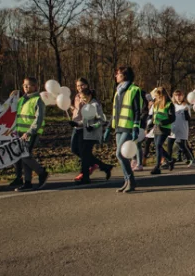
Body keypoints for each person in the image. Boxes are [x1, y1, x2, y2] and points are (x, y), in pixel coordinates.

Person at [10, 77, 49, 191]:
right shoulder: (22, 99)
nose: (25, 87)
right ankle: (27, 182)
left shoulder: (38, 100)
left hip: (31, 133)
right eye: (24, 85)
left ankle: (41, 173)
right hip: (20, 132)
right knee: (24, 156)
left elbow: (39, 118)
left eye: (28, 85)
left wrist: (30, 132)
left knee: (25, 156)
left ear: (35, 87)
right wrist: (11, 98)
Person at [70, 83, 113, 184]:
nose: (83, 101)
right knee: (82, 153)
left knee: (85, 154)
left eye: (84, 98)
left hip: (93, 134)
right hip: (85, 132)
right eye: (81, 99)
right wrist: (76, 123)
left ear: (89, 96)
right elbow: (85, 121)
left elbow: (102, 120)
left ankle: (85, 177)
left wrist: (93, 126)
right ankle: (104, 167)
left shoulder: (95, 105)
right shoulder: (87, 105)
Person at [111, 66, 143, 194]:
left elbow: (137, 110)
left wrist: (136, 125)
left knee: (120, 153)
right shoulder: (118, 91)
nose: (116, 76)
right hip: (119, 126)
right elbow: (115, 110)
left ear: (124, 75)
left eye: (118, 74)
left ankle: (131, 180)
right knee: (119, 155)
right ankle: (127, 181)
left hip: (128, 127)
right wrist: (109, 127)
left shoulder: (134, 89)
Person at [148, 87, 176, 175]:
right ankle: (170, 160)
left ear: (162, 95)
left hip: (165, 128)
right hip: (156, 127)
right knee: (157, 146)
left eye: (158, 96)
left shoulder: (169, 104)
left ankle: (157, 166)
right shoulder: (156, 104)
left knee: (158, 145)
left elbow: (172, 118)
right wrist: (149, 126)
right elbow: (154, 116)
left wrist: (163, 122)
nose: (156, 97)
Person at [168, 89, 195, 166]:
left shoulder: (186, 106)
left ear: (183, 96)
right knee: (169, 144)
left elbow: (188, 119)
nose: (178, 97)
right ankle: (168, 161)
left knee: (183, 146)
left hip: (182, 128)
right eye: (176, 95)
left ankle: (192, 159)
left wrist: (186, 112)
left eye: (180, 95)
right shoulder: (172, 105)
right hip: (173, 128)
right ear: (174, 96)